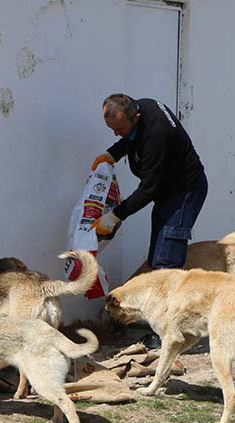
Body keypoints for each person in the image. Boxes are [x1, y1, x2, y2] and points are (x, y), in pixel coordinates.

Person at [91, 94, 208, 347]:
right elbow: (131, 140)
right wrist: (111, 154)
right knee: (157, 258)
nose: (116, 134)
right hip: (167, 192)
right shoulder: (139, 110)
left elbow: (148, 189)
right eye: (111, 130)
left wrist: (114, 216)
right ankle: (162, 324)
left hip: (184, 191)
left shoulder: (158, 134)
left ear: (136, 117)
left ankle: (166, 336)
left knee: (166, 264)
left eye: (119, 129)